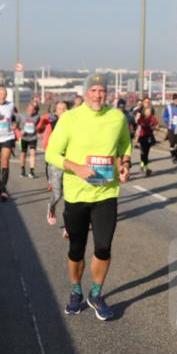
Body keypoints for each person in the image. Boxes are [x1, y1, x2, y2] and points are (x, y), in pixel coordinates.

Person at [45, 74, 132, 321]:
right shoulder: (70, 119)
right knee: (76, 248)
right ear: (84, 93)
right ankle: (75, 290)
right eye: (92, 90)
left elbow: (125, 144)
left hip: (106, 192)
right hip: (77, 194)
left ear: (107, 93)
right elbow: (51, 153)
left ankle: (95, 293)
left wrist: (125, 163)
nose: (97, 94)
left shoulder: (117, 117)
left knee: (103, 247)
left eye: (101, 90)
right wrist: (77, 168)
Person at [40, 100, 70, 230]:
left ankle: (69, 226)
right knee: (58, 194)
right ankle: (51, 206)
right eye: (59, 109)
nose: (62, 111)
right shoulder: (51, 126)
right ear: (56, 112)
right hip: (56, 163)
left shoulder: (75, 125)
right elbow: (45, 145)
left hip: (72, 163)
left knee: (71, 196)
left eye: (64, 109)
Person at [135, 105, 159, 176]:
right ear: (144, 112)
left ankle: (143, 167)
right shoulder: (141, 118)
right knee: (143, 153)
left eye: (149, 111)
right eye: (147, 111)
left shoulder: (153, 118)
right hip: (142, 137)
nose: (148, 112)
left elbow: (157, 126)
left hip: (149, 137)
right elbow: (137, 122)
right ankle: (145, 167)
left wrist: (153, 127)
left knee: (146, 153)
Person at [162, 93, 177, 163]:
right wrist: (168, 121)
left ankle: (176, 156)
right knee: (172, 143)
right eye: (175, 100)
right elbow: (165, 116)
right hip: (171, 128)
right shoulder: (168, 107)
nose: (176, 101)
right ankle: (173, 156)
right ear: (173, 100)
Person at [19, 103, 41, 178]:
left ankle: (31, 171)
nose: (30, 111)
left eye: (32, 110)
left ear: (34, 111)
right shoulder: (22, 115)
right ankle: (22, 169)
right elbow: (16, 124)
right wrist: (20, 131)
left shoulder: (37, 116)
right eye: (29, 110)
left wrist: (38, 130)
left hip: (33, 137)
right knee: (23, 154)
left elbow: (38, 125)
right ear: (26, 109)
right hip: (24, 138)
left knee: (33, 153)